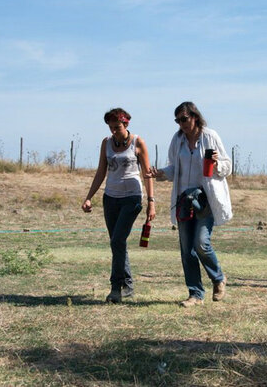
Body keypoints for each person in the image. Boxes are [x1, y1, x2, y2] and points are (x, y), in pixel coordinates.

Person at [152, 101, 232, 307]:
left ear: (194, 117)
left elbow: (227, 166)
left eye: (184, 119)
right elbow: (173, 170)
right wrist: (160, 174)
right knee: (187, 250)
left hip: (205, 199)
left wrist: (216, 163)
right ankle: (195, 294)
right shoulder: (177, 139)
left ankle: (218, 278)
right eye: (177, 121)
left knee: (201, 243)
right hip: (184, 200)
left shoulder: (210, 136)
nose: (181, 124)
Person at [82, 108, 156, 303]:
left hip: (131, 198)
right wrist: (89, 197)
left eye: (117, 127)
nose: (114, 130)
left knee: (117, 241)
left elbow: (147, 174)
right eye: (111, 127)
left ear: (126, 124)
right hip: (110, 198)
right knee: (117, 243)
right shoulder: (106, 143)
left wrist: (151, 202)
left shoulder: (138, 142)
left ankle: (116, 287)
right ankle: (128, 285)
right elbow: (101, 172)